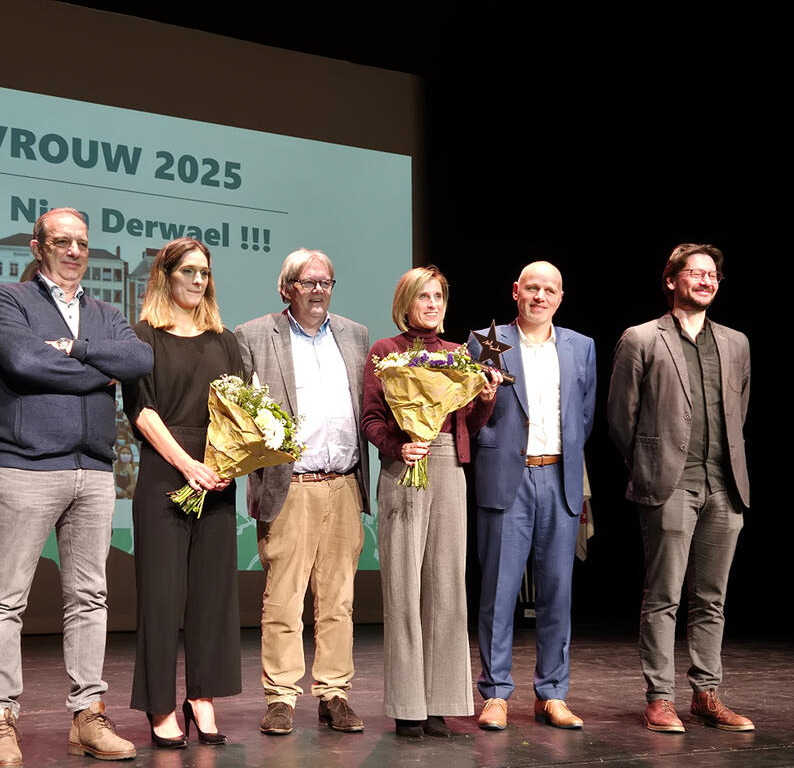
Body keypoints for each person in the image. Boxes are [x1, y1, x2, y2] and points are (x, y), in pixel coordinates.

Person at [0, 207, 154, 768]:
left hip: (94, 470)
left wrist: (73, 349)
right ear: (38, 247)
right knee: (6, 600)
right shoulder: (6, 300)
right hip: (27, 466)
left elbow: (139, 358)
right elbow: (23, 361)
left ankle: (88, 715)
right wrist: (98, 370)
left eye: (82, 243)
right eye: (62, 242)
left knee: (90, 598)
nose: (75, 251)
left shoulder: (106, 313)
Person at [607, 243, 754, 734]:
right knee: (664, 596)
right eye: (696, 273)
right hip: (670, 483)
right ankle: (660, 698)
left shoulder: (735, 343)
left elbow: (738, 411)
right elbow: (620, 418)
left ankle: (706, 694)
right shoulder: (642, 338)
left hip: (724, 485)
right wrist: (648, 463)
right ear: (671, 280)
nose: (706, 281)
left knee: (712, 598)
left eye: (713, 275)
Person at [234, 248, 371, 735]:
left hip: (344, 484)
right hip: (289, 485)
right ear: (286, 288)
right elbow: (239, 415)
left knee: (339, 600)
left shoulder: (355, 335)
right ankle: (280, 697)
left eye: (325, 282)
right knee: (283, 599)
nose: (318, 290)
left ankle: (334, 693)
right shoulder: (253, 335)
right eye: (308, 282)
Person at [361, 266, 499, 738]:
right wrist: (398, 447)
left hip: (448, 468)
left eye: (439, 296)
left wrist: (485, 398)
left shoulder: (459, 354)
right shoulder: (386, 352)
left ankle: (440, 702)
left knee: (446, 587)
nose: (433, 304)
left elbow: (469, 425)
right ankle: (408, 706)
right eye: (424, 296)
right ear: (406, 303)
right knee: (403, 586)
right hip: (405, 466)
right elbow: (371, 418)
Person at [122, 236, 243, 748]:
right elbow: (142, 411)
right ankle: (160, 704)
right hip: (166, 469)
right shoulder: (142, 336)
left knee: (212, 595)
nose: (198, 280)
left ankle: (202, 697)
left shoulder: (224, 340)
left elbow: (242, 411)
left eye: (204, 272)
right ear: (165, 275)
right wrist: (187, 463)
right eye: (188, 271)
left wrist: (229, 462)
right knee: (162, 595)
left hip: (216, 475)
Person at [466, 261, 596, 732]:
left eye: (550, 290)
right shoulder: (485, 342)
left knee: (557, 593)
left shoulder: (581, 346)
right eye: (532, 288)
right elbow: (470, 414)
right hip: (507, 479)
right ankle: (495, 693)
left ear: (560, 297)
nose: (540, 296)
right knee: (498, 591)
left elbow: (584, 416)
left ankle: (552, 693)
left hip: (559, 477)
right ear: (516, 291)